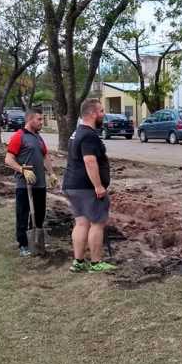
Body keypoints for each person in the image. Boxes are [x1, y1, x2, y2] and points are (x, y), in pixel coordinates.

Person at [62, 99, 116, 273]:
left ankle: (78, 262)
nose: (104, 114)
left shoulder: (76, 133)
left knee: (81, 223)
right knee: (97, 223)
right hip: (87, 187)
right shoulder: (89, 135)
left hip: (72, 185)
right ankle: (95, 263)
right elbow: (90, 161)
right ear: (92, 113)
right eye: (101, 111)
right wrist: (98, 186)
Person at [5, 108, 58, 257]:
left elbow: (45, 156)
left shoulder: (38, 137)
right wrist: (22, 170)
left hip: (40, 183)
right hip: (24, 185)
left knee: (39, 214)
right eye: (39, 119)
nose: (42, 122)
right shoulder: (19, 136)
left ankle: (36, 239)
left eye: (42, 119)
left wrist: (51, 173)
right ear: (29, 119)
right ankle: (23, 244)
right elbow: (8, 159)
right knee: (23, 214)